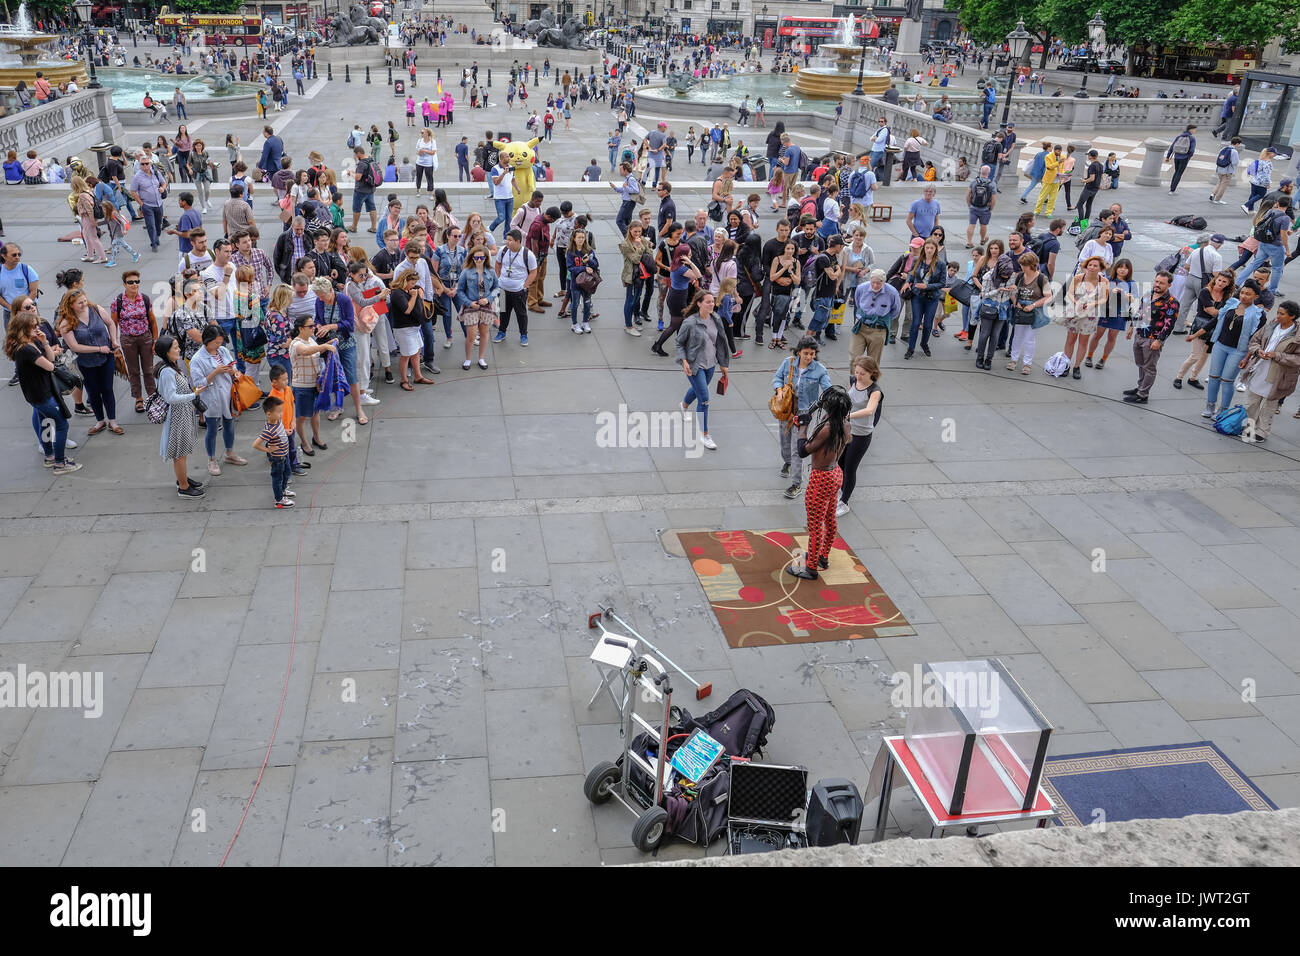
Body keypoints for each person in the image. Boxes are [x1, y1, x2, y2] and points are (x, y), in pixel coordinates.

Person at [786, 385, 852, 581]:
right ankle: (822, 556)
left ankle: (811, 568)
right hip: (835, 474)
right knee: (830, 519)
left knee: (815, 526)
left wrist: (802, 428)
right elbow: (845, 441)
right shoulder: (844, 423)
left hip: (821, 478)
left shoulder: (828, 428)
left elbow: (803, 450)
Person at [6, 299, 80, 473]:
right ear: (24, 329)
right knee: (62, 425)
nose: (38, 329)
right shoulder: (27, 349)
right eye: (34, 327)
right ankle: (60, 463)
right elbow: (51, 365)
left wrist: (45, 342)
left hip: (36, 394)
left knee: (45, 421)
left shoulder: (29, 344)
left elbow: (51, 359)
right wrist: (49, 350)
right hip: (42, 394)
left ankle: (49, 456)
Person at [58, 289, 124, 438]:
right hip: (85, 363)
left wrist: (113, 340)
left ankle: (113, 421)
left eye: (85, 301)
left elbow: (111, 324)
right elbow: (74, 347)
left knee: (107, 388)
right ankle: (100, 421)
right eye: (80, 303)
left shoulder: (96, 309)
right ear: (71, 305)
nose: (84, 304)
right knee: (93, 392)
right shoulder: (66, 323)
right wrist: (99, 348)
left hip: (106, 358)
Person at [774, 336, 831, 500]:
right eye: (806, 353)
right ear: (798, 352)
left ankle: (797, 483)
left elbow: (827, 390)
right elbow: (777, 378)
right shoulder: (788, 363)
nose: (809, 357)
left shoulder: (820, 369)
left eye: (812, 354)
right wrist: (779, 391)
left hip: (804, 413)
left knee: (797, 447)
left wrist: (831, 402)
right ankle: (787, 462)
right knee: (784, 439)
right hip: (786, 408)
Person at [189, 323, 247, 476]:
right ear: (207, 341)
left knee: (229, 424)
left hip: (228, 394)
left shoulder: (223, 351)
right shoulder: (197, 359)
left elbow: (234, 370)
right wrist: (215, 372)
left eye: (220, 342)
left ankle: (229, 453)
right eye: (216, 342)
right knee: (212, 429)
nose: (218, 345)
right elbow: (198, 384)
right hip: (211, 397)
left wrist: (232, 372)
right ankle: (212, 459)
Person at [1201, 279, 1264, 417]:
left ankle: (1223, 410)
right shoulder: (1231, 303)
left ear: (1256, 296)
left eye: (1248, 294)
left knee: (1227, 380)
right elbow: (1216, 321)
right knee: (1213, 377)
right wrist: (1198, 334)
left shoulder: (1258, 313)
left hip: (1238, 351)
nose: (1243, 296)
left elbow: (1256, 338)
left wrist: (1247, 357)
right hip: (1220, 345)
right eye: (1242, 292)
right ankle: (1210, 405)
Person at [676, 290, 729, 452]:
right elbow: (679, 343)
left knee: (699, 389)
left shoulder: (716, 318)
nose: (711, 304)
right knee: (704, 398)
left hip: (711, 364)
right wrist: (684, 361)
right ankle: (704, 434)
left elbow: (720, 341)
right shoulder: (690, 322)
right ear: (699, 303)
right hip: (695, 365)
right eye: (708, 302)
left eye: (712, 302)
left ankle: (683, 405)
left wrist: (723, 364)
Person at [153, 335, 206, 497]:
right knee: (180, 454)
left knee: (182, 452)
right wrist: (194, 395)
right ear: (166, 352)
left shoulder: (172, 366)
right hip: (177, 417)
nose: (179, 349)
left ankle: (183, 479)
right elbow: (171, 398)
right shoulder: (168, 372)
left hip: (182, 414)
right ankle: (184, 487)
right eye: (175, 348)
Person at [1241, 300, 1300, 442]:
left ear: (1292, 316)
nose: (1278, 316)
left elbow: (1297, 358)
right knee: (1252, 402)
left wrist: (1277, 355)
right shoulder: (1272, 325)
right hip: (1259, 368)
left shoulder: (1297, 335)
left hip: (1279, 374)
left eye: (1282, 314)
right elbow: (1255, 340)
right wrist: (1258, 350)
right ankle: (1248, 429)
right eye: (1278, 312)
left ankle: (1262, 432)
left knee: (1270, 404)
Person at [1123, 270, 1180, 405]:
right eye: (1156, 281)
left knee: (1149, 367)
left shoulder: (1172, 302)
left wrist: (1159, 341)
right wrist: (1132, 327)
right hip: (1140, 335)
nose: (1157, 285)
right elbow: (1140, 311)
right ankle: (1140, 387)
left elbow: (1169, 324)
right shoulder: (1149, 294)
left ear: (1169, 285)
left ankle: (1143, 395)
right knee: (1140, 364)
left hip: (1152, 339)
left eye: (1161, 283)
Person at [1174, 270, 1234, 390]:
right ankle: (1179, 377)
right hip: (1201, 325)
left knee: (1205, 356)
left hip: (1216, 328)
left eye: (1224, 281)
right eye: (1219, 280)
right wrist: (1224, 312)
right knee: (1195, 355)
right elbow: (1210, 311)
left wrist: (1222, 313)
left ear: (1228, 284)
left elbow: (1223, 312)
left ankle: (1193, 378)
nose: (1221, 283)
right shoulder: (1205, 292)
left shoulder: (1227, 296)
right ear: (1215, 279)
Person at [837, 356, 882, 516]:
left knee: (850, 468)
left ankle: (844, 502)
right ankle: (841, 492)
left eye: (862, 373)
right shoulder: (853, 380)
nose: (858, 376)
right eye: (857, 372)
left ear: (872, 373)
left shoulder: (874, 391)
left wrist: (849, 416)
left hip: (861, 435)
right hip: (846, 431)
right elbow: (848, 398)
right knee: (840, 463)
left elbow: (870, 410)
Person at [288, 313, 338, 454]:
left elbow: (315, 350)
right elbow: (305, 351)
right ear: (300, 328)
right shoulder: (296, 343)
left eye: (313, 325)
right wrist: (325, 346)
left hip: (315, 384)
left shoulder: (311, 340)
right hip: (302, 386)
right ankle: (304, 443)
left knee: (315, 413)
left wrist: (328, 344)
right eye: (310, 326)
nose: (313, 328)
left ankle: (316, 438)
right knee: (302, 417)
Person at [1006, 252, 1052, 375]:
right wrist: (1016, 302)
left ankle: (1027, 363)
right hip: (1020, 309)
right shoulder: (1020, 276)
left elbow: (1049, 296)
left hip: (1034, 311)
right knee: (1017, 336)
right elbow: (1012, 291)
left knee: (1030, 339)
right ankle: (1013, 359)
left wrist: (1033, 305)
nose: (1022, 267)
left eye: (1024, 265)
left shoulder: (1042, 278)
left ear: (1031, 265)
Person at [494, 228, 536, 347]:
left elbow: (533, 272)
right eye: (507, 239)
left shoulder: (528, 254)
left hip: (519, 291)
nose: (507, 242)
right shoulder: (503, 250)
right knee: (503, 312)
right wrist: (499, 278)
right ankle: (502, 332)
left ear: (518, 241)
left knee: (521, 313)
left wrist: (525, 285)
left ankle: (523, 335)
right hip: (503, 289)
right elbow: (497, 264)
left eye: (510, 240)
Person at [905, 237, 945, 359]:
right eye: (927, 248)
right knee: (915, 323)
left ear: (935, 249)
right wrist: (907, 282)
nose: (929, 250)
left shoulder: (941, 264)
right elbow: (911, 273)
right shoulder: (917, 260)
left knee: (928, 325)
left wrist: (927, 286)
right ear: (924, 248)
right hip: (918, 296)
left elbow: (942, 283)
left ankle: (924, 344)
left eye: (931, 248)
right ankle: (910, 348)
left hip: (932, 298)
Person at [966, 165, 995, 248]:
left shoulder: (974, 182)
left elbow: (968, 195)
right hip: (985, 208)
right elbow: (993, 199)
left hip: (973, 207)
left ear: (980, 172)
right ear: (989, 173)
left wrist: (969, 205)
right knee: (983, 225)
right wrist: (991, 208)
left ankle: (969, 242)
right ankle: (982, 240)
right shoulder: (992, 184)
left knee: (972, 224)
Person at [1164, 124, 1196, 194]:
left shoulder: (1179, 136)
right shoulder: (1192, 138)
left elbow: (1172, 147)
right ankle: (1172, 190)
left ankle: (1171, 188)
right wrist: (1189, 157)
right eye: (1194, 129)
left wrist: (1168, 157)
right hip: (1184, 158)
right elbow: (1192, 150)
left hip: (1176, 157)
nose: (1195, 131)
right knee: (1179, 173)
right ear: (1190, 129)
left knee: (1176, 172)